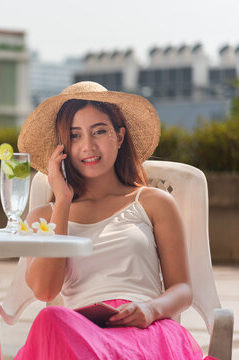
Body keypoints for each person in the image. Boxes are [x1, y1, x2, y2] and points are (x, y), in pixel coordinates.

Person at [14, 81, 216, 359]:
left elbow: (182, 289)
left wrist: (150, 309)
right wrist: (61, 203)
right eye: (75, 136)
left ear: (119, 137)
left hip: (147, 330)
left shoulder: (153, 202)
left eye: (99, 131)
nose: (88, 145)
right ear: (62, 148)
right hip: (83, 336)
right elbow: (45, 290)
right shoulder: (44, 217)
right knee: (49, 321)